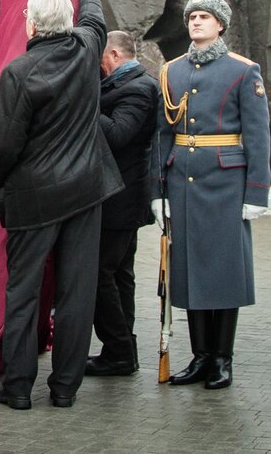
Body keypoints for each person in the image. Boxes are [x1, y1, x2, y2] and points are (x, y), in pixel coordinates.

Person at [0, 0, 124, 410]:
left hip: (32, 198)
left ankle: (18, 388)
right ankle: (64, 389)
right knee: (76, 294)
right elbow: (95, 18)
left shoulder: (18, 73)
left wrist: (2, 180)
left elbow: (1, 146)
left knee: (23, 293)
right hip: (86, 192)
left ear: (31, 24)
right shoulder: (86, 51)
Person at [155, 0, 270, 391]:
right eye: (192, 17)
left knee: (222, 273)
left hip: (226, 184)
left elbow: (257, 135)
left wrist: (256, 193)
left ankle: (222, 359)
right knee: (189, 273)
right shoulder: (171, 71)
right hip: (182, 183)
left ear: (220, 24)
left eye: (204, 17)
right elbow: (162, 134)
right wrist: (158, 190)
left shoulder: (243, 70)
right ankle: (201, 357)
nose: (196, 22)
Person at [86, 31, 157, 376]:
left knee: (101, 274)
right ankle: (121, 351)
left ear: (113, 54)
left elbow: (116, 135)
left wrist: (84, 103)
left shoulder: (139, 89)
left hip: (121, 198)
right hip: (120, 196)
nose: (99, 67)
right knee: (119, 275)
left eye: (101, 60)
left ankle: (119, 351)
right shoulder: (125, 84)